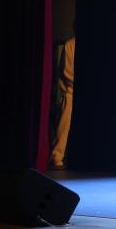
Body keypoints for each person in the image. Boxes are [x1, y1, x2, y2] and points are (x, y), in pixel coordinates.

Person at [49, 31, 75, 170]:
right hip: (70, 92)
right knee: (64, 126)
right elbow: (67, 72)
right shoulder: (70, 44)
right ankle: (56, 156)